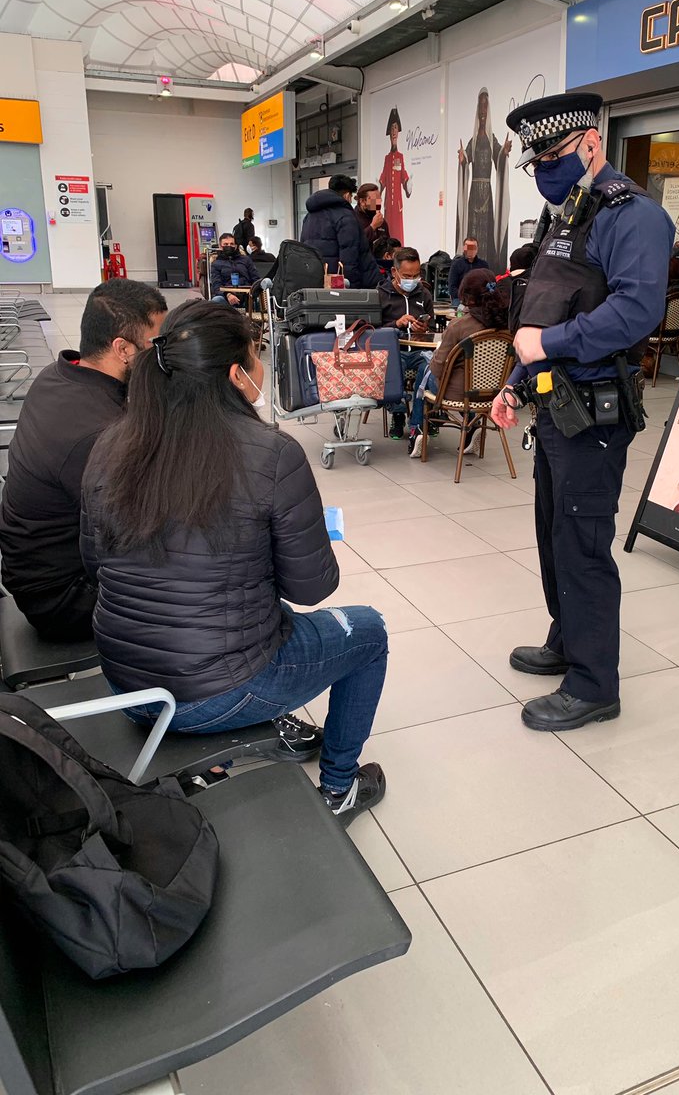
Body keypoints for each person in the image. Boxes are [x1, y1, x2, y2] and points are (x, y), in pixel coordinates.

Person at [80, 300, 387, 824]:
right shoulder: (271, 452)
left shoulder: (111, 443)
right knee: (368, 632)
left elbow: (94, 564)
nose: (261, 368)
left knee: (251, 615)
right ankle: (339, 787)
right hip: (212, 695)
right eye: (256, 355)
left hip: (124, 685)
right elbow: (312, 589)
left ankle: (268, 735)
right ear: (235, 374)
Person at [491, 92, 673, 732]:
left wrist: (549, 345)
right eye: (536, 161)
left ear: (592, 142)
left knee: (583, 543)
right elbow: (543, 310)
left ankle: (595, 684)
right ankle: (568, 640)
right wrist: (516, 383)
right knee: (554, 534)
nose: (545, 169)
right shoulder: (566, 218)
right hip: (554, 404)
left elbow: (636, 310)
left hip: (594, 413)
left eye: (554, 155)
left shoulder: (633, 216)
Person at [0, 279, 168, 642]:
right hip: (63, 599)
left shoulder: (59, 375)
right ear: (123, 349)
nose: (162, 357)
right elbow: (146, 530)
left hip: (32, 568)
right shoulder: (98, 435)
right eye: (155, 345)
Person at [408, 268, 510, 459]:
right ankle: (472, 427)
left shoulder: (459, 326)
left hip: (457, 394)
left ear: (467, 296)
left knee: (425, 370)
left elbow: (438, 368)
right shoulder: (507, 324)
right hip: (494, 393)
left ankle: (417, 430)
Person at [377, 246, 434, 443]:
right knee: (394, 366)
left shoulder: (424, 294)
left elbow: (433, 329)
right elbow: (373, 330)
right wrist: (396, 324)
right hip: (394, 351)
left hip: (420, 351)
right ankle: (398, 412)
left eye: (416, 275)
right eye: (407, 276)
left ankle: (418, 422)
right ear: (395, 272)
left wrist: (424, 329)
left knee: (431, 367)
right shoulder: (381, 295)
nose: (412, 280)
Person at [456, 87, 512, 273]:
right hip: (474, 192)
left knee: (486, 231)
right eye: (480, 106)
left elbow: (499, 158)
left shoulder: (491, 139)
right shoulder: (473, 140)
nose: (482, 111)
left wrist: (504, 152)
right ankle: (470, 266)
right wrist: (463, 160)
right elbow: (466, 159)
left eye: (485, 106)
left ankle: (485, 267)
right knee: (472, 230)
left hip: (486, 192)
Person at [300, 175, 381, 289]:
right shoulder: (345, 216)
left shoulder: (309, 216)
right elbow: (349, 259)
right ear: (347, 195)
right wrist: (352, 288)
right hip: (338, 285)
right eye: (351, 196)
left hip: (315, 281)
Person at [379, 108, 411, 244]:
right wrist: (378, 187)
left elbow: (402, 174)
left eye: (396, 128)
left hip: (397, 204)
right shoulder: (387, 158)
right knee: (388, 232)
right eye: (392, 128)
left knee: (397, 233)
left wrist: (407, 183)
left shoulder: (400, 157)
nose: (393, 131)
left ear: (398, 132)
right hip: (388, 204)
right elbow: (384, 177)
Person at [209, 232, 260, 304]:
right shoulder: (216, 264)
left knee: (261, 299)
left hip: (247, 295)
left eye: (231, 244)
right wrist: (228, 295)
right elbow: (216, 285)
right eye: (226, 244)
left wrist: (254, 293)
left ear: (235, 246)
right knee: (217, 300)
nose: (229, 246)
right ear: (220, 246)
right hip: (227, 297)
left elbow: (255, 278)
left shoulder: (246, 260)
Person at [448, 237, 489, 304]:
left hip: (478, 299)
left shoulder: (483, 265)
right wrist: (464, 298)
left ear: (477, 249)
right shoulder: (456, 264)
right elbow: (452, 287)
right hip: (460, 299)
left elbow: (487, 285)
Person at [355, 183, 390, 253]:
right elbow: (354, 244)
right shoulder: (352, 218)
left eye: (379, 198)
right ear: (362, 201)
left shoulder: (381, 221)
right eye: (375, 199)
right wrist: (372, 227)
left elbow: (388, 243)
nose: (379, 202)